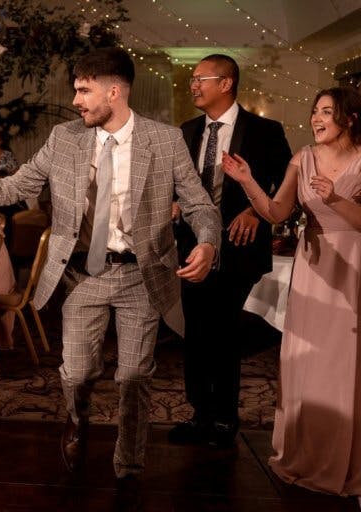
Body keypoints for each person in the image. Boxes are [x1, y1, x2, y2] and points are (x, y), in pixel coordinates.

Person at [0, 48, 221, 481]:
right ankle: (79, 418)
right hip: (82, 275)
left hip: (141, 275)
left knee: (133, 375)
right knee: (76, 374)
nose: (76, 100)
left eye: (83, 90)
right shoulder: (64, 138)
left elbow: (201, 206)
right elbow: (12, 187)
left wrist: (206, 244)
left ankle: (129, 464)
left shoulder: (165, 141)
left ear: (114, 91)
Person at [222, 86, 361, 501]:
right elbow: (276, 212)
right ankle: (305, 454)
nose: (316, 119)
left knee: (345, 366)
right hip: (313, 268)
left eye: (326, 112)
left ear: (349, 118)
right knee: (306, 361)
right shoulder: (302, 158)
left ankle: (348, 460)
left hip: (352, 268)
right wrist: (247, 182)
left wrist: (334, 197)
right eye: (314, 111)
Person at [169, 54, 292, 447]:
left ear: (226, 83)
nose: (193, 86)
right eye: (192, 79)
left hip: (239, 247)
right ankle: (198, 413)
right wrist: (173, 202)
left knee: (224, 332)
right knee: (197, 331)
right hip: (192, 246)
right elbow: (175, 182)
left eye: (200, 78)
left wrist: (256, 214)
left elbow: (285, 183)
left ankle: (224, 417)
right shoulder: (186, 131)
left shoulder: (264, 130)